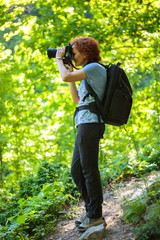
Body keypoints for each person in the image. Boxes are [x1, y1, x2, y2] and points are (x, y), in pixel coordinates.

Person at [56, 37, 107, 232]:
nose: (72, 56)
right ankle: (90, 211)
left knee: (89, 170)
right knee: (77, 171)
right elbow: (77, 99)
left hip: (90, 123)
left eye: (74, 53)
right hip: (84, 123)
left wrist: (59, 62)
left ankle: (95, 216)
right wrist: (70, 71)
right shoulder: (87, 73)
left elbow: (64, 77)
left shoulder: (94, 68)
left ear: (85, 53)